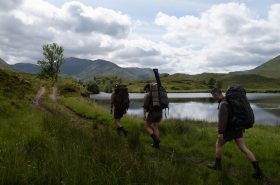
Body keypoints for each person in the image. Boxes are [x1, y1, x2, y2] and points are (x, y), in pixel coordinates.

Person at [207, 87, 264, 179]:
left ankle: (217, 165)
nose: (213, 98)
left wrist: (221, 132)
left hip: (229, 130)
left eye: (213, 96)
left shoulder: (223, 104)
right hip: (237, 129)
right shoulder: (230, 101)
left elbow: (222, 120)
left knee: (218, 144)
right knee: (244, 148)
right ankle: (259, 172)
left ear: (216, 94)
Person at [143, 83, 162, 148]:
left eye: (145, 90)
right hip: (160, 112)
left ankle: (156, 140)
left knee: (146, 126)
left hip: (153, 113)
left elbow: (145, 107)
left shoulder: (147, 95)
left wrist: (144, 115)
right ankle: (157, 145)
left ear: (148, 89)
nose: (145, 91)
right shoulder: (159, 94)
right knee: (155, 127)